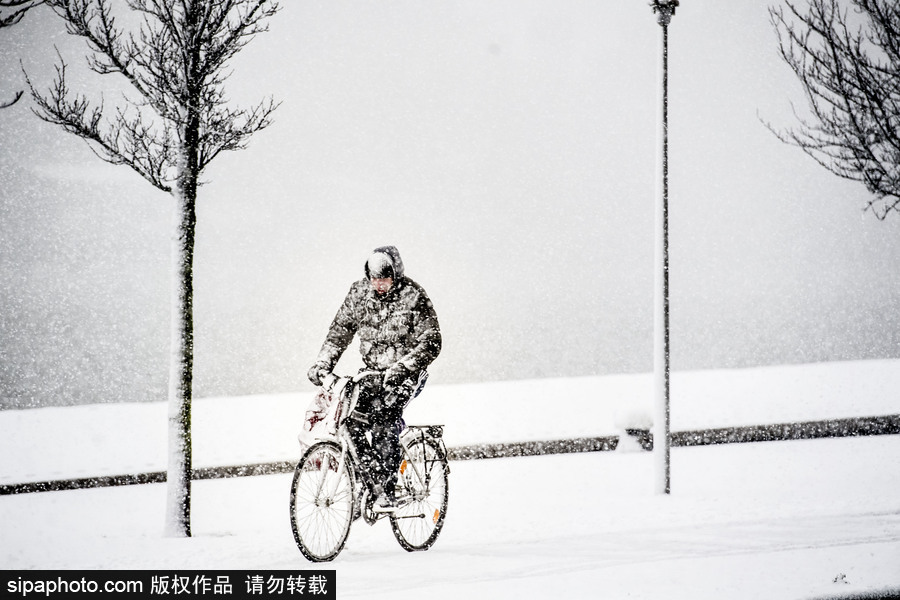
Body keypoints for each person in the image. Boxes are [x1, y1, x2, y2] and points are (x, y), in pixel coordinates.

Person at [307, 245, 442, 512]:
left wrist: (403, 368)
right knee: (349, 422)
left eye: (385, 278)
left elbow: (432, 340)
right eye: (375, 278)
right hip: (370, 373)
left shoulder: (413, 296)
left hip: (406, 374)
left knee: (384, 421)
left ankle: (386, 491)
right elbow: (339, 332)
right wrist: (323, 363)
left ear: (395, 274)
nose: (379, 284)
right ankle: (371, 482)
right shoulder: (358, 295)